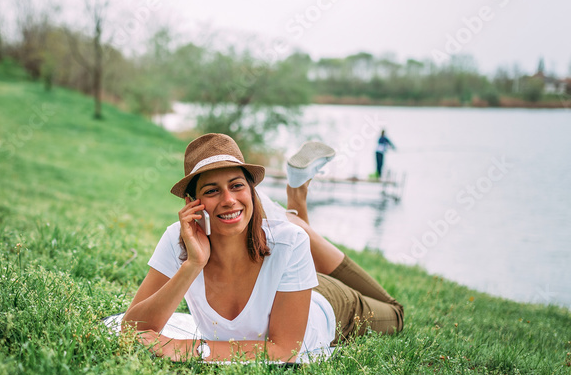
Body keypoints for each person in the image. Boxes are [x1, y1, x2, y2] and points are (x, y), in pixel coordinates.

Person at [124, 133, 404, 363]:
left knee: (395, 312)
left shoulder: (288, 243)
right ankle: (292, 203)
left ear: (252, 191)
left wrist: (193, 349)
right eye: (211, 190)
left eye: (237, 186)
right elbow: (132, 330)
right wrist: (193, 264)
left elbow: (284, 350)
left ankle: (296, 198)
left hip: (326, 301)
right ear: (190, 203)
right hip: (288, 277)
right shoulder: (176, 240)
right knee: (290, 236)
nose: (228, 199)